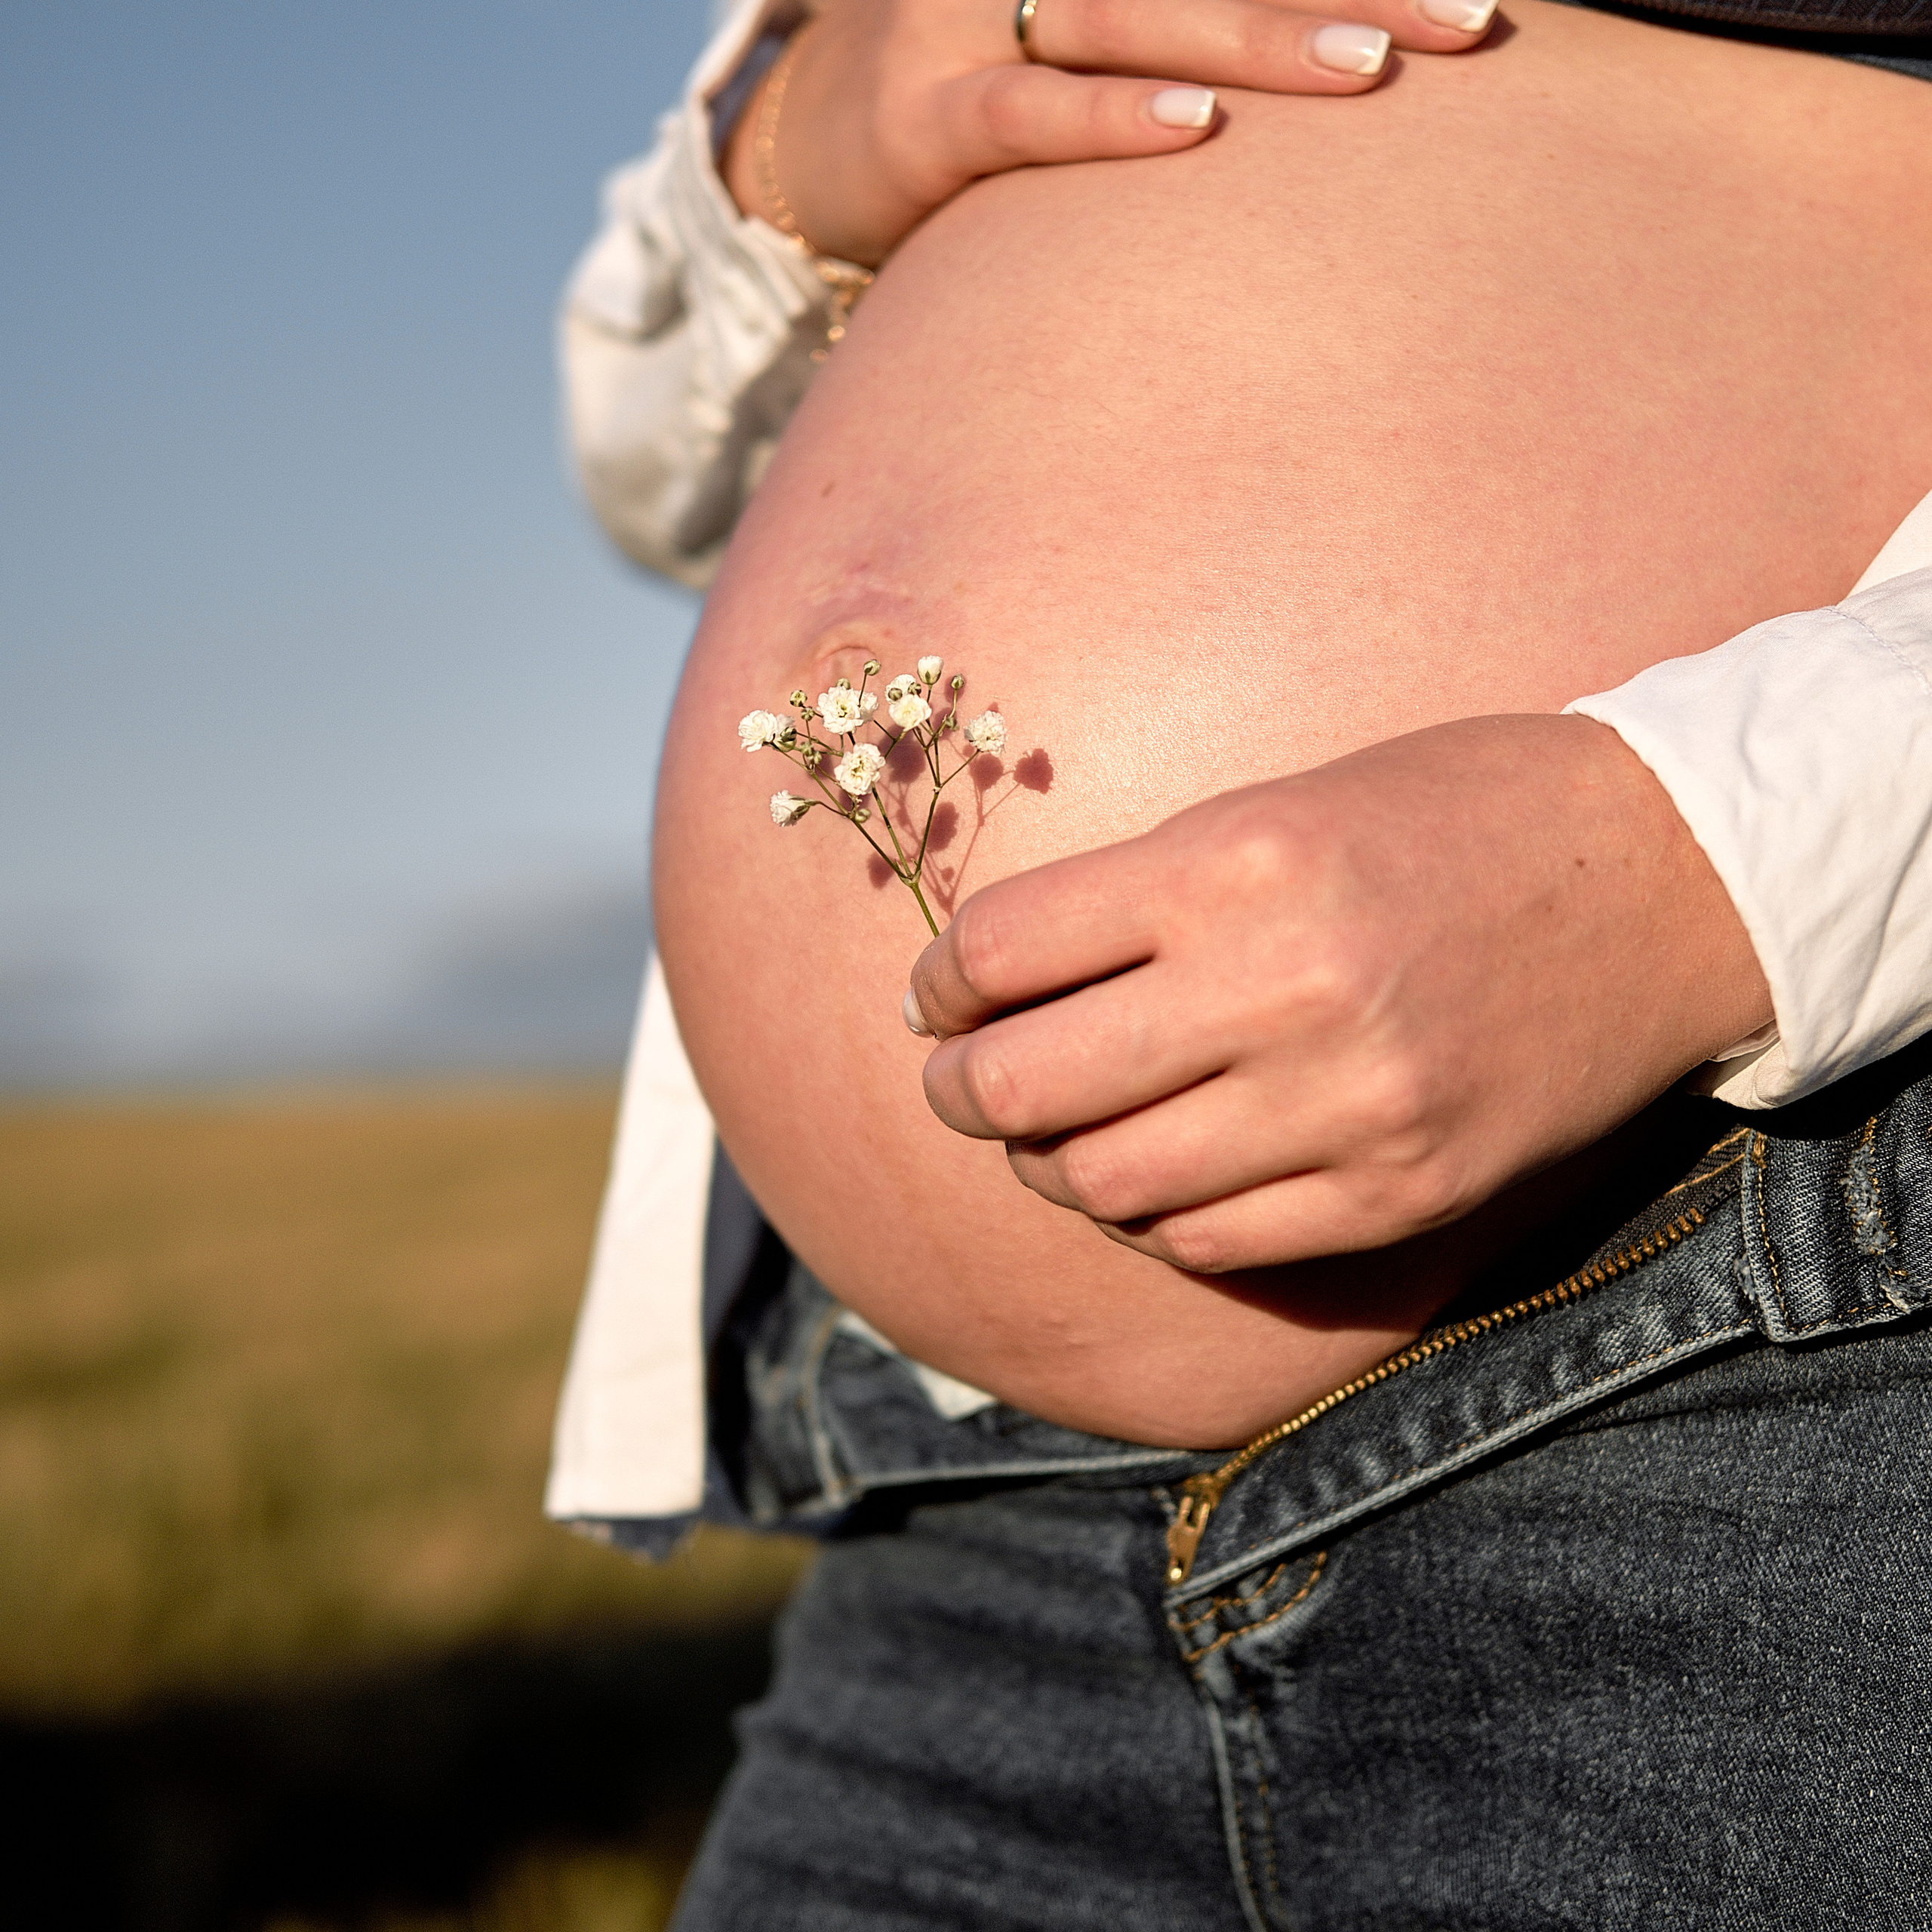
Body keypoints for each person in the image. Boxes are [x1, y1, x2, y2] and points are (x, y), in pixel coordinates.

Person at [550, 0, 1932, 1921]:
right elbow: (639, 458)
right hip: (944, 1507)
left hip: (1759, 1394)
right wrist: (780, 152)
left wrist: (1688, 864)